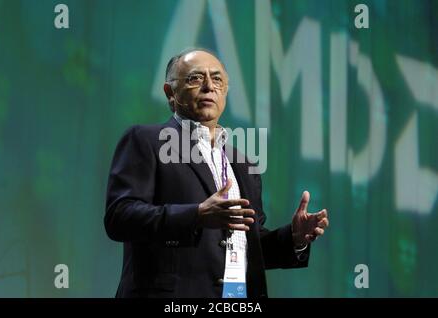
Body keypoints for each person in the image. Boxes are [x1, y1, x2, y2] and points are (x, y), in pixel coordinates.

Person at [104, 48, 329, 298]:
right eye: (195, 78)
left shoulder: (243, 164)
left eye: (217, 79)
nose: (209, 86)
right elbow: (119, 217)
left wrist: (294, 238)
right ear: (170, 93)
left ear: (225, 92)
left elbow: (249, 246)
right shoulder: (146, 140)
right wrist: (196, 215)